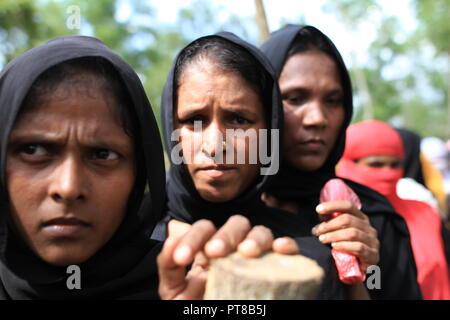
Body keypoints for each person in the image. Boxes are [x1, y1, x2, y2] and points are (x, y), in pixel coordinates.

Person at [0, 35, 295, 299]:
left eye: (102, 154)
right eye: (33, 150)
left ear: (139, 171)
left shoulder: (182, 280)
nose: (68, 187)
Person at [155, 31, 376, 299]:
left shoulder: (304, 253)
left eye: (238, 120)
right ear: (170, 124)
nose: (214, 146)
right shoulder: (121, 239)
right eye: (194, 119)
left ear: (270, 130)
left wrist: (361, 277)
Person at [260, 24, 422, 299]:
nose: (318, 118)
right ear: (263, 104)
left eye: (333, 100)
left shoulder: (371, 216)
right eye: (295, 98)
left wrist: (368, 272)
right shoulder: (227, 208)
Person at [337, 120, 450, 300]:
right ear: (347, 162)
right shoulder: (338, 217)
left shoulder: (425, 213)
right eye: (376, 164)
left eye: (395, 164)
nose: (388, 173)